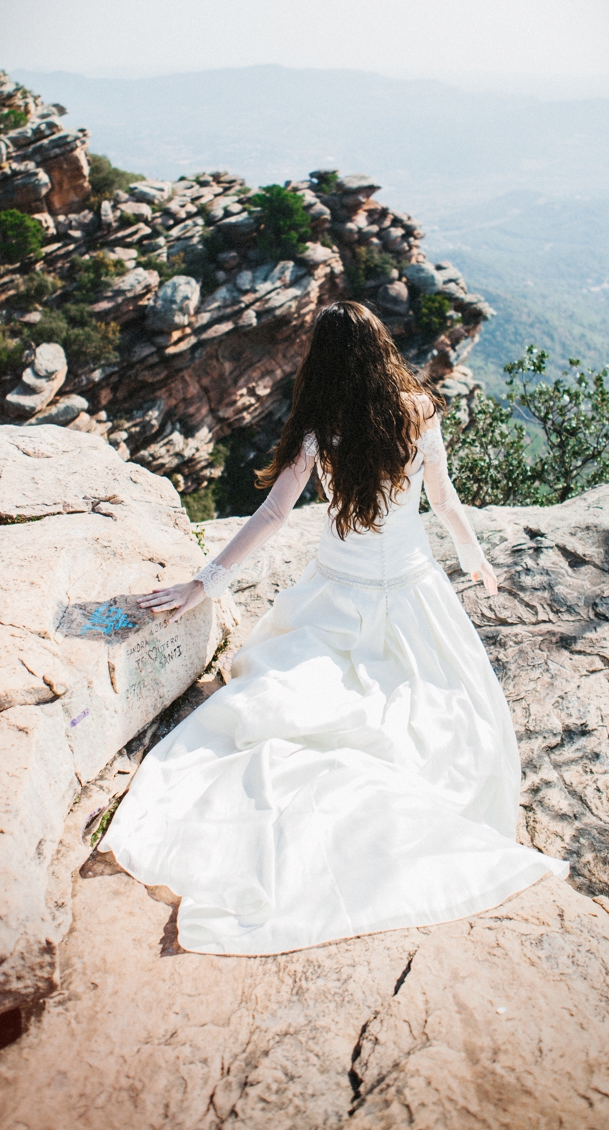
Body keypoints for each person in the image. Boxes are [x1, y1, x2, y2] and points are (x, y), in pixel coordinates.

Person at [100, 300, 567, 954]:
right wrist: (472, 557)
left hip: (334, 599)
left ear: (323, 360)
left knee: (281, 711)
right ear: (381, 350)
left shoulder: (321, 423)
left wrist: (202, 584)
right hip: (413, 596)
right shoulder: (421, 412)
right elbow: (445, 498)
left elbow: (271, 515)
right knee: (453, 721)